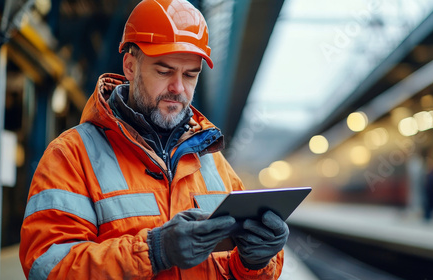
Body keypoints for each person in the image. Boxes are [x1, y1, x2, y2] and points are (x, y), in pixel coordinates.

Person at [19, 0, 288, 279]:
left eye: (190, 75)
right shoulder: (71, 155)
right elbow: (47, 267)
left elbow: (231, 268)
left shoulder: (214, 163)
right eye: (164, 71)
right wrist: (154, 250)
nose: (178, 88)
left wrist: (256, 263)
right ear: (130, 66)